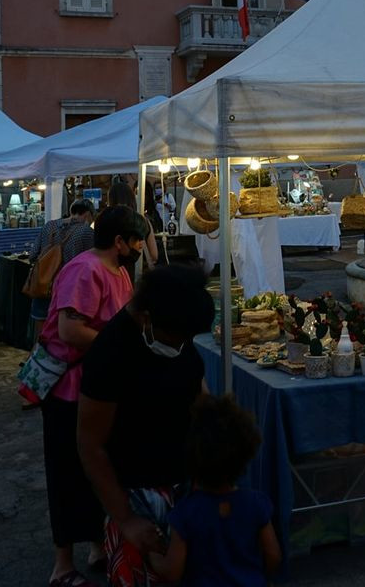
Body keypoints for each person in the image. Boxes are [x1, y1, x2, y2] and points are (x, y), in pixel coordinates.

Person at [77, 265, 217, 587]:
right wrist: (126, 518)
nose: (182, 344)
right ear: (145, 317)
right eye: (177, 337)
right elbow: (89, 444)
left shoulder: (177, 333)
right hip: (135, 493)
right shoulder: (110, 354)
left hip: (185, 483)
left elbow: (197, 390)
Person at [37, 207, 147, 587]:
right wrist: (118, 346)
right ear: (119, 242)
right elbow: (70, 331)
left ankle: (99, 546)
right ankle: (62, 566)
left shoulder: (119, 271)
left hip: (101, 386)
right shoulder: (86, 270)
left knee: (100, 469)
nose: (139, 248)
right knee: (67, 472)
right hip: (69, 390)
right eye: (135, 241)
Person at [147, 394, 282, 586]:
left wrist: (153, 555)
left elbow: (172, 572)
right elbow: (273, 555)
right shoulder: (257, 503)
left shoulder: (185, 513)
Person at [29, 199, 97, 335]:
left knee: (40, 334)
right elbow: (93, 263)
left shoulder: (49, 226)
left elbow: (33, 255)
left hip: (43, 285)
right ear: (88, 215)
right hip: (70, 291)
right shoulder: (87, 232)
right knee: (61, 335)